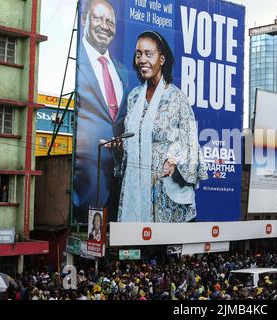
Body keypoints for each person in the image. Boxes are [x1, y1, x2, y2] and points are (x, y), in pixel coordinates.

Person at [118, 30, 207, 222]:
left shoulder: (177, 98)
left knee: (163, 249)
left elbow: (190, 141)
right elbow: (131, 140)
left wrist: (174, 159)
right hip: (136, 189)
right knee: (133, 245)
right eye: (138, 54)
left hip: (164, 191)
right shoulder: (133, 97)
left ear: (162, 59)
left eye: (149, 54)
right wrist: (117, 147)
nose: (142, 59)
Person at [74, 0, 129, 222]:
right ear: (85, 19)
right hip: (84, 191)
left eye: (110, 22)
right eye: (98, 18)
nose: (104, 26)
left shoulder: (122, 70)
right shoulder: (79, 60)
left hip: (116, 190)